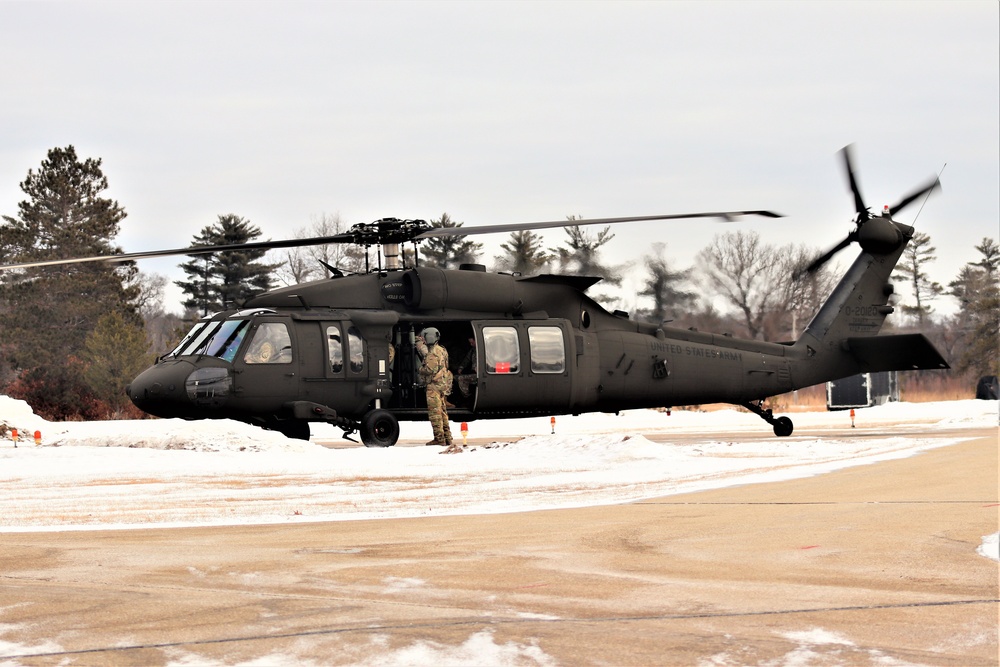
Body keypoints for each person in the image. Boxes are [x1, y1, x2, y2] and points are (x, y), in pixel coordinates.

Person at [416, 327, 457, 453]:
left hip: (434, 386)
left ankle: (439, 439)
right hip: (441, 385)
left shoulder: (433, 352)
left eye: (424, 337)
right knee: (443, 411)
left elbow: (430, 369)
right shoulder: (442, 350)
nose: (423, 339)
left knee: (435, 413)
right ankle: (448, 437)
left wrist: (420, 370)